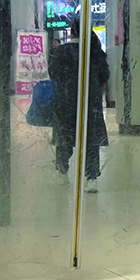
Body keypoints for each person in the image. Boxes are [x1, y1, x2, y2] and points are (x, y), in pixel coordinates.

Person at [49, 17, 110, 192]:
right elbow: (104, 74)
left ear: (71, 32)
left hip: (66, 101)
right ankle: (91, 178)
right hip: (90, 101)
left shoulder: (60, 51)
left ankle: (62, 171)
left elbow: (53, 73)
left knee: (65, 138)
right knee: (91, 140)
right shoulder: (95, 51)